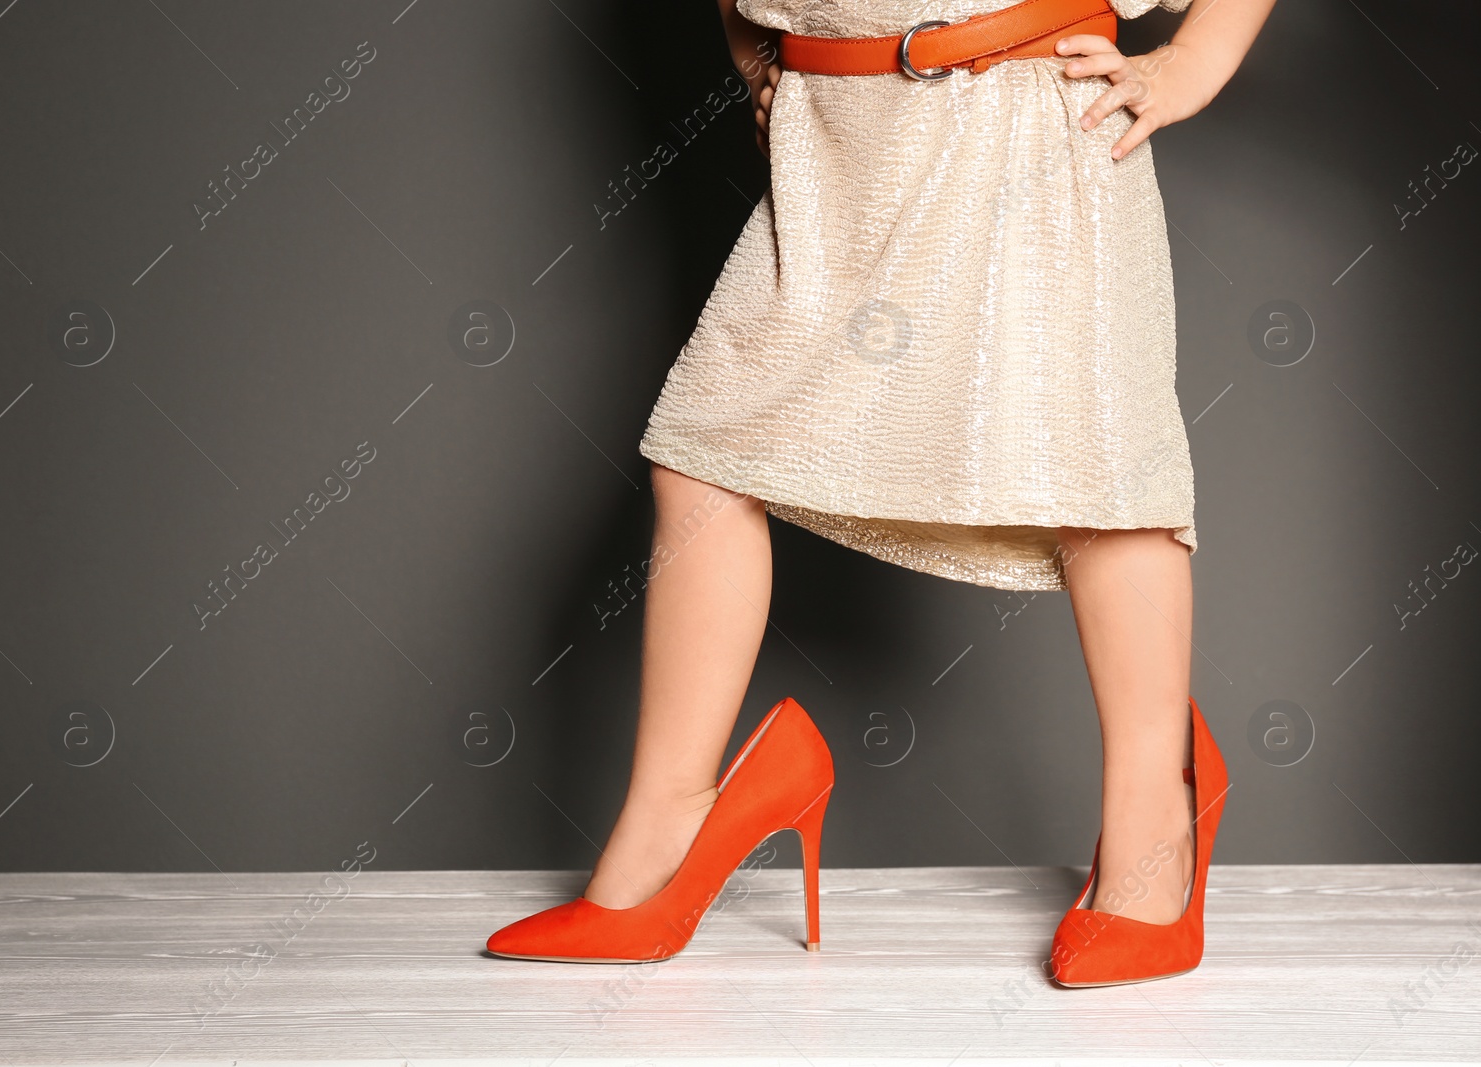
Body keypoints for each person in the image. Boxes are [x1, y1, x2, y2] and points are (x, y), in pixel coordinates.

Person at [487, 0, 1275, 985]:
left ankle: (1155, 813)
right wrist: (754, 50)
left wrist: (1194, 59)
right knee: (702, 450)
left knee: (1095, 460)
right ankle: (669, 822)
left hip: (1028, 108)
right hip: (833, 137)